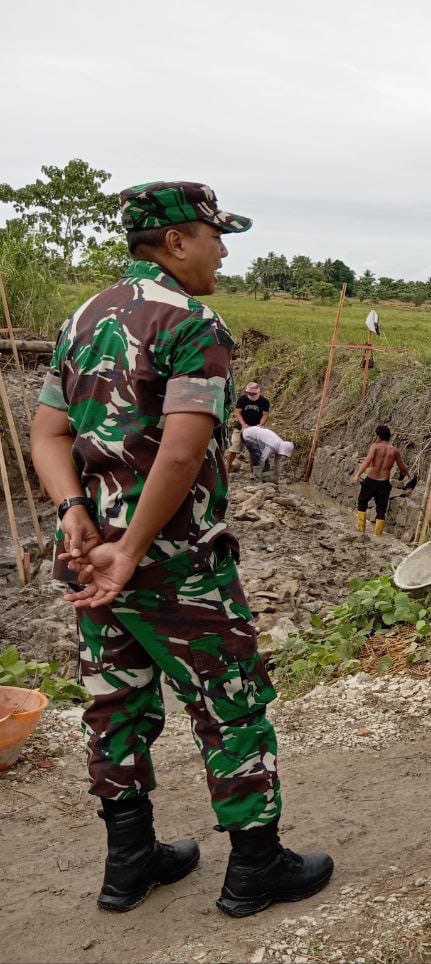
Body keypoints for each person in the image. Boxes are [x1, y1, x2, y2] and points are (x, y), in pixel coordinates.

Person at [29, 181, 333, 917]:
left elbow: (48, 433)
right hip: (170, 564)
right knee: (231, 705)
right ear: (176, 242)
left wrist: (75, 512)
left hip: (90, 556)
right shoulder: (194, 324)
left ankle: (129, 864)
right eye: (214, 236)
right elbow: (181, 454)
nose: (223, 252)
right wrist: (134, 548)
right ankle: (256, 868)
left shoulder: (80, 317)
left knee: (115, 703)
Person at [350, 424, 408, 536]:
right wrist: (407, 473)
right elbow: (402, 467)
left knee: (362, 502)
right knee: (381, 509)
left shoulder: (375, 447)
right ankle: (378, 534)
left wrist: (357, 474)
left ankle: (361, 530)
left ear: (379, 436)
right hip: (384, 483)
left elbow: (367, 461)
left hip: (371, 480)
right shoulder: (394, 451)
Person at [227, 381, 270, 475]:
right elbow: (237, 412)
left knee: (252, 451)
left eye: (253, 393)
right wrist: (243, 424)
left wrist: (261, 424)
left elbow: (265, 415)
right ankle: (226, 469)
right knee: (234, 447)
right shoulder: (242, 399)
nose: (251, 395)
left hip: (254, 429)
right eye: (249, 393)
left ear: (258, 392)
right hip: (240, 428)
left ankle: (252, 472)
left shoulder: (264, 401)